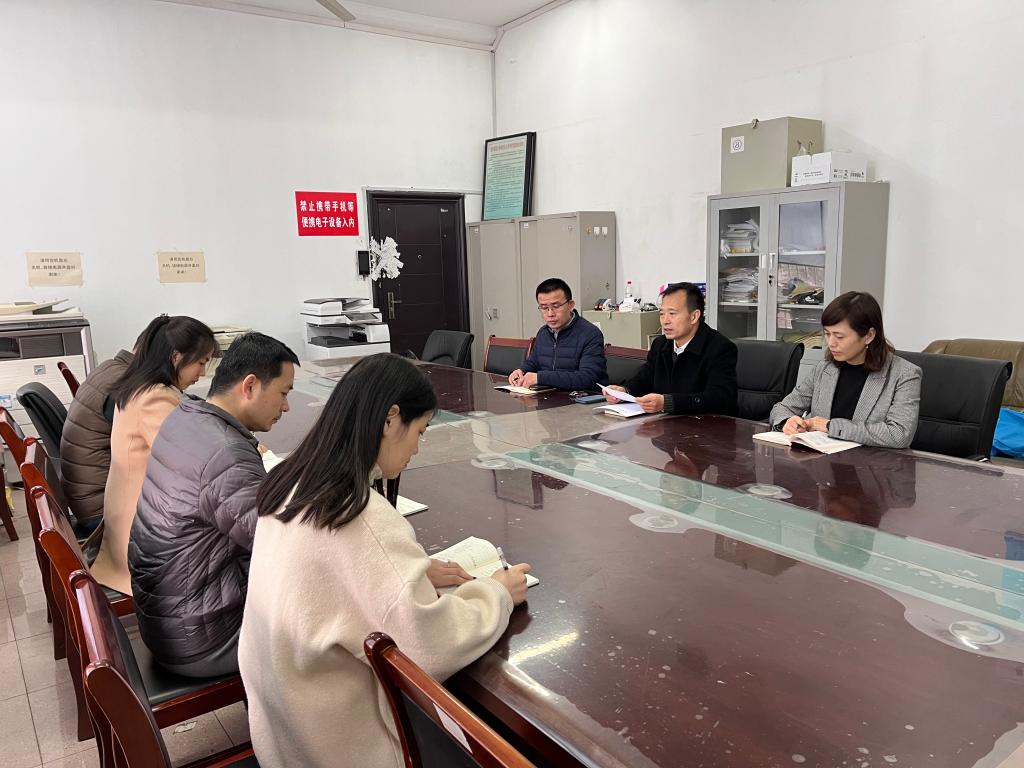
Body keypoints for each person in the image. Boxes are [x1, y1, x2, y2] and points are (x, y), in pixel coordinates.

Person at [239, 354, 530, 768]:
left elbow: (335, 575)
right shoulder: (356, 512)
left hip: (282, 732)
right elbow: (429, 646)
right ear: (391, 419)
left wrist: (405, 570)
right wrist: (497, 593)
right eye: (420, 431)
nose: (417, 447)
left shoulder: (294, 480)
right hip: (335, 749)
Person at [129, 332, 298, 677]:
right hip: (204, 637)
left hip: (170, 614)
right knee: (331, 609)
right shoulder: (225, 452)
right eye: (283, 393)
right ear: (250, 386)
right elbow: (278, 546)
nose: (286, 407)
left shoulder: (186, 416)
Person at [89, 315, 216, 595]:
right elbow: (191, 460)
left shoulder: (142, 387)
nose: (203, 372)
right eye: (201, 362)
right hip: (139, 537)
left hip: (130, 520)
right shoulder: (154, 398)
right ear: (176, 357)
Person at [769, 291, 921, 449]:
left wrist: (830, 426)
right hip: (820, 460)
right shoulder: (824, 368)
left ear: (869, 335)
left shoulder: (904, 374)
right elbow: (782, 408)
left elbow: (899, 434)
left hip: (871, 462)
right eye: (827, 334)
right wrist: (787, 421)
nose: (831, 343)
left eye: (839, 336)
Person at [605, 282, 737, 415]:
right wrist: (624, 391)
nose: (665, 321)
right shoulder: (660, 344)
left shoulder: (720, 348)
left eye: (672, 314)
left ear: (694, 316)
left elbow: (719, 399)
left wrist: (668, 403)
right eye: (662, 314)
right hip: (663, 422)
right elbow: (644, 379)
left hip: (704, 425)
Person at [60, 339, 140, 530]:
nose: (201, 372)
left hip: (85, 498)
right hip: (101, 512)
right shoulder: (128, 386)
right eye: (200, 362)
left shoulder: (110, 367)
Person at [508, 277, 607, 391]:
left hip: (580, 398)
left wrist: (540, 377)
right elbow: (533, 362)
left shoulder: (590, 334)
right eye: (544, 308)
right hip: (548, 395)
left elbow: (587, 378)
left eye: (556, 306)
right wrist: (521, 371)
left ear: (570, 305)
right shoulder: (543, 333)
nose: (550, 314)